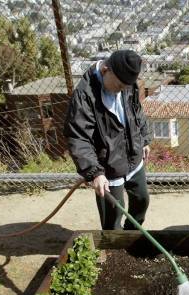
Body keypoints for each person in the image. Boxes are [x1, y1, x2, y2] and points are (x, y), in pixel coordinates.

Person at [65, 50, 151, 230]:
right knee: (113, 215)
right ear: (105, 70)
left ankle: (132, 235)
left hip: (134, 158)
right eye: (119, 85)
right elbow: (79, 137)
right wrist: (95, 172)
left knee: (142, 200)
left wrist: (144, 138)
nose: (123, 90)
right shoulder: (84, 95)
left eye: (126, 86)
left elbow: (137, 112)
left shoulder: (128, 84)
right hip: (108, 168)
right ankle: (114, 246)